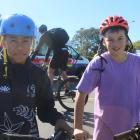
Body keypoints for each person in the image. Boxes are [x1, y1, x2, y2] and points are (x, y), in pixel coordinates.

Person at [0, 14, 73, 138]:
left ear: (32, 43)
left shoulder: (38, 74)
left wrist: (58, 120)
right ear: (3, 42)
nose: (20, 46)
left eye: (25, 40)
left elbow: (45, 108)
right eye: (13, 40)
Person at [74, 16, 140, 140]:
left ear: (127, 39)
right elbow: (81, 94)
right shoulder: (98, 63)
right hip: (104, 130)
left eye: (120, 38)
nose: (116, 44)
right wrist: (77, 127)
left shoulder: (137, 62)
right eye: (110, 40)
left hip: (133, 130)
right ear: (104, 42)